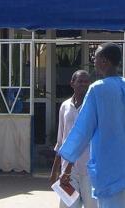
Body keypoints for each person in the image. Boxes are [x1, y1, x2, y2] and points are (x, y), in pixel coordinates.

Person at [58, 43, 125, 208]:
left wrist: (67, 164)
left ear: (104, 61)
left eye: (97, 57)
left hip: (108, 168)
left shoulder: (97, 90)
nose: (94, 61)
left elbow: (82, 131)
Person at [50, 70, 96, 208]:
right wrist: (54, 171)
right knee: (68, 205)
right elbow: (61, 141)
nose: (83, 84)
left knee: (92, 205)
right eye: (80, 81)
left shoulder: (94, 107)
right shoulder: (65, 106)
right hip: (68, 172)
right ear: (72, 83)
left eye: (86, 82)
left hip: (89, 170)